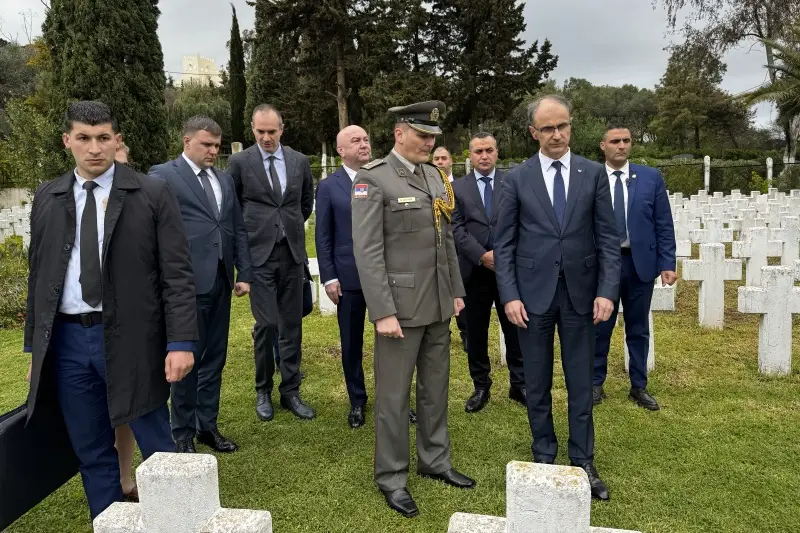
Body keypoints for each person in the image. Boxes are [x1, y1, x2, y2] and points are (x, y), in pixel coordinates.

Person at [23, 101, 197, 519]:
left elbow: (177, 274)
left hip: (131, 338)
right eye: (83, 138)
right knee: (92, 449)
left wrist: (180, 341)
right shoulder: (48, 196)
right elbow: (38, 278)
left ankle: (177, 521)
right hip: (68, 342)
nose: (94, 148)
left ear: (117, 140)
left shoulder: (150, 193)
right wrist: (34, 351)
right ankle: (110, 521)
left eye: (103, 138)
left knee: (157, 444)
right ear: (67, 141)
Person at [352, 101, 475, 518]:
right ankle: (391, 476)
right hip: (400, 308)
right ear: (399, 133)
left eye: (433, 137)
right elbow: (368, 251)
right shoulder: (374, 179)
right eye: (422, 135)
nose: (429, 143)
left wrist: (455, 290)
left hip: (438, 302)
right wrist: (382, 311)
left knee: (435, 388)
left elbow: (446, 241)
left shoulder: (434, 176)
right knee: (393, 395)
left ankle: (435, 460)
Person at [494, 94, 620, 501]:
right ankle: (544, 454)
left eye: (562, 126)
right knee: (537, 382)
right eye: (547, 128)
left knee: (581, 381)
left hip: (581, 296)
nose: (557, 134)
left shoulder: (592, 174)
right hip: (531, 297)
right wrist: (510, 295)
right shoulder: (516, 178)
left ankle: (583, 459)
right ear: (534, 132)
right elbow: (504, 244)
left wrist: (607, 291)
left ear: (571, 126)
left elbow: (608, 239)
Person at [149, 116, 254, 453]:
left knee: (214, 359)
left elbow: (237, 227)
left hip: (221, 280)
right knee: (188, 360)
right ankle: (181, 433)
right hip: (185, 285)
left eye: (217, 146)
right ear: (187, 141)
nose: (212, 151)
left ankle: (207, 426)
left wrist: (244, 272)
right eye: (206, 144)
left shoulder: (224, 179)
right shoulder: (163, 176)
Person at [226, 104, 315, 421]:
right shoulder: (240, 162)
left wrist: (286, 228)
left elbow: (305, 203)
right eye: (260, 131)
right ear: (253, 129)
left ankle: (291, 391)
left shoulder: (299, 161)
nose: (266, 137)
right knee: (267, 325)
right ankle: (263, 389)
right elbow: (232, 207)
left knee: (292, 325)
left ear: (282, 129)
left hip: (291, 254)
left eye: (271, 131)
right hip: (258, 256)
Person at [593, 125, 676, 411]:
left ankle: (638, 385)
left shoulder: (650, 177)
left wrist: (667, 262)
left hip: (639, 263)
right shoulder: (590, 177)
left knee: (638, 327)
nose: (621, 145)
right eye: (615, 141)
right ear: (603, 145)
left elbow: (663, 222)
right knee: (599, 325)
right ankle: (595, 383)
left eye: (626, 140)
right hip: (603, 264)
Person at [451, 132, 525, 413]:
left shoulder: (513, 182)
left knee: (515, 329)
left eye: (489, 150)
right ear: (470, 155)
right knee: (475, 333)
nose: (484, 156)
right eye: (478, 151)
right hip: (473, 271)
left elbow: (521, 222)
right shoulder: (456, 188)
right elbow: (455, 227)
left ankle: (519, 384)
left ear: (497, 152)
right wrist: (482, 256)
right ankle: (481, 385)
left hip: (508, 271)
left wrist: (502, 256)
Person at [315, 125, 372, 428]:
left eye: (366, 139)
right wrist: (329, 277)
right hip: (348, 279)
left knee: (393, 343)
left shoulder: (381, 178)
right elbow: (323, 236)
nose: (364, 144)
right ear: (340, 150)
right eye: (356, 140)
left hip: (383, 277)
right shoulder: (328, 186)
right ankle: (357, 401)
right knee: (351, 343)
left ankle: (395, 399)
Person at [109, 140, 137, 501]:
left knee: (126, 409)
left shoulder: (140, 202)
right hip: (87, 322)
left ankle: (125, 478)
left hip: (130, 320)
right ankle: (106, 482)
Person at [432, 145, 468, 352]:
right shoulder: (427, 186)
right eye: (436, 158)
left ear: (451, 161)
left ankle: (465, 332)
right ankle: (442, 332)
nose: (440, 162)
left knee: (461, 291)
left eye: (443, 158)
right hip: (436, 250)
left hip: (460, 250)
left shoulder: (462, 187)